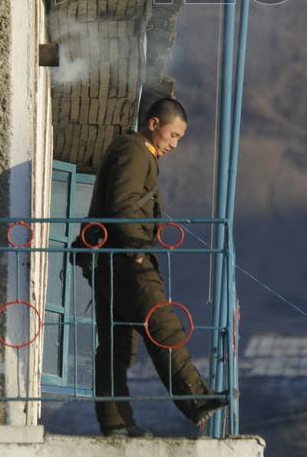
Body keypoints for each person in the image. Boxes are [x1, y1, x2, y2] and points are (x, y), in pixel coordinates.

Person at [82, 97, 227, 438]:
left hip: (106, 260)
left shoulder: (130, 150)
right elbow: (123, 205)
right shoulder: (135, 152)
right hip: (126, 259)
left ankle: (116, 421)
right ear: (154, 125)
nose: (174, 144)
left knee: (116, 346)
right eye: (173, 135)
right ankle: (195, 399)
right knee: (163, 324)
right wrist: (137, 249)